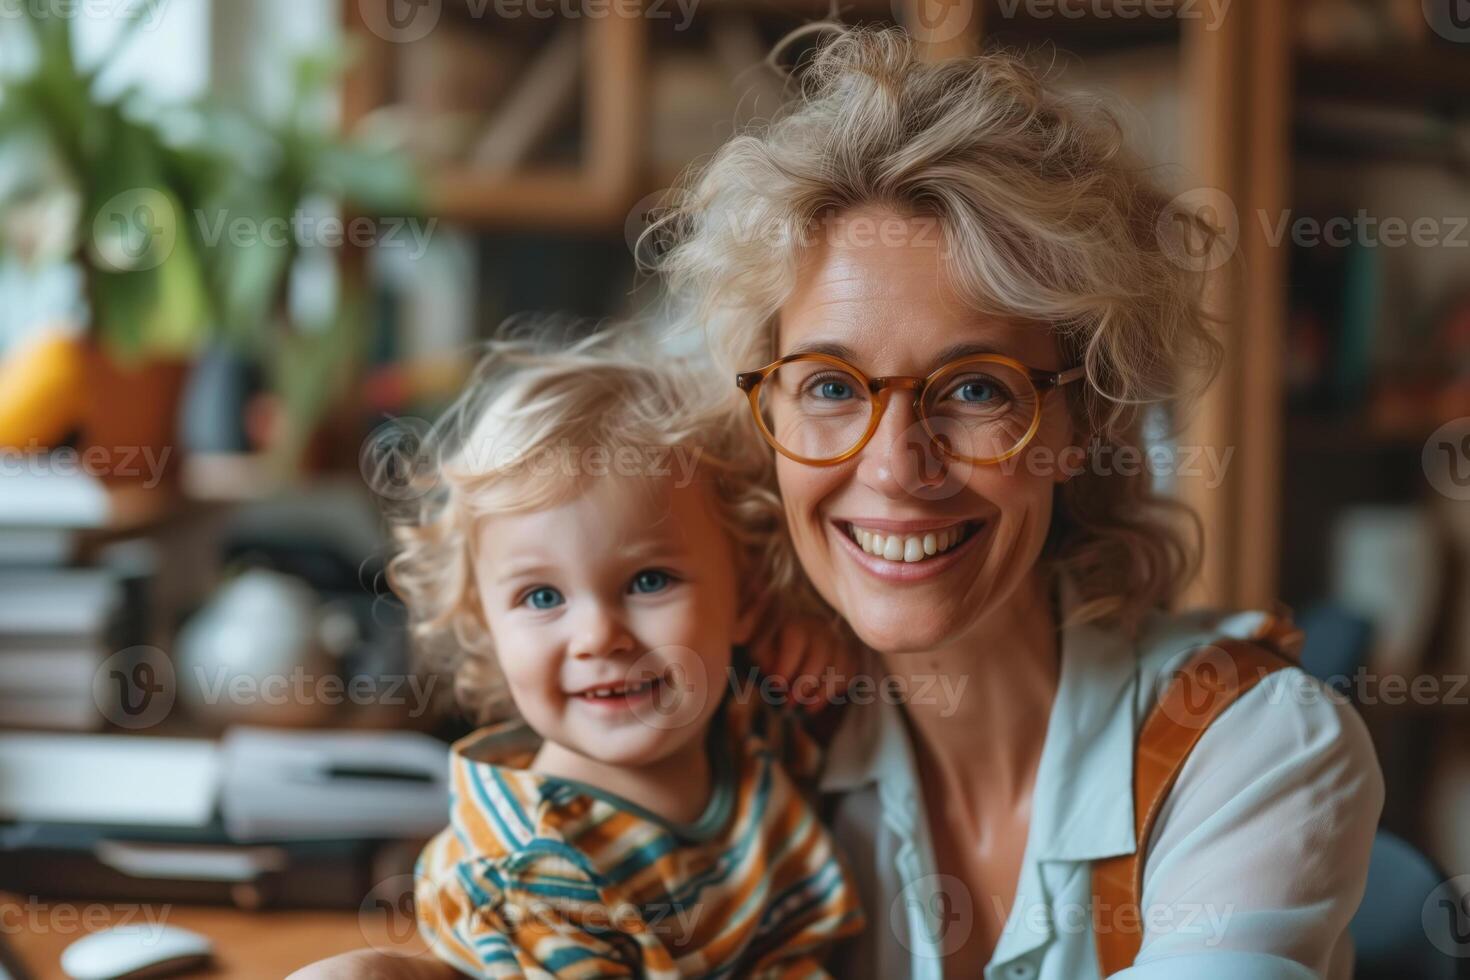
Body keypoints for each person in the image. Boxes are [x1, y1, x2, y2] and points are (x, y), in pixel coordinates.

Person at [293, 26, 1384, 980]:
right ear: (759, 417)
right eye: (828, 385)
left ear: (1083, 423)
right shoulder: (744, 733)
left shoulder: (1254, 751)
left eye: (973, 388)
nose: (896, 463)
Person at [385, 329, 864, 977]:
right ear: (485, 625)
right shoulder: (536, 870)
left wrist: (818, 637)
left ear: (747, 596)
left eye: (648, 582)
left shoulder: (748, 727)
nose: (598, 638)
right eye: (541, 596)